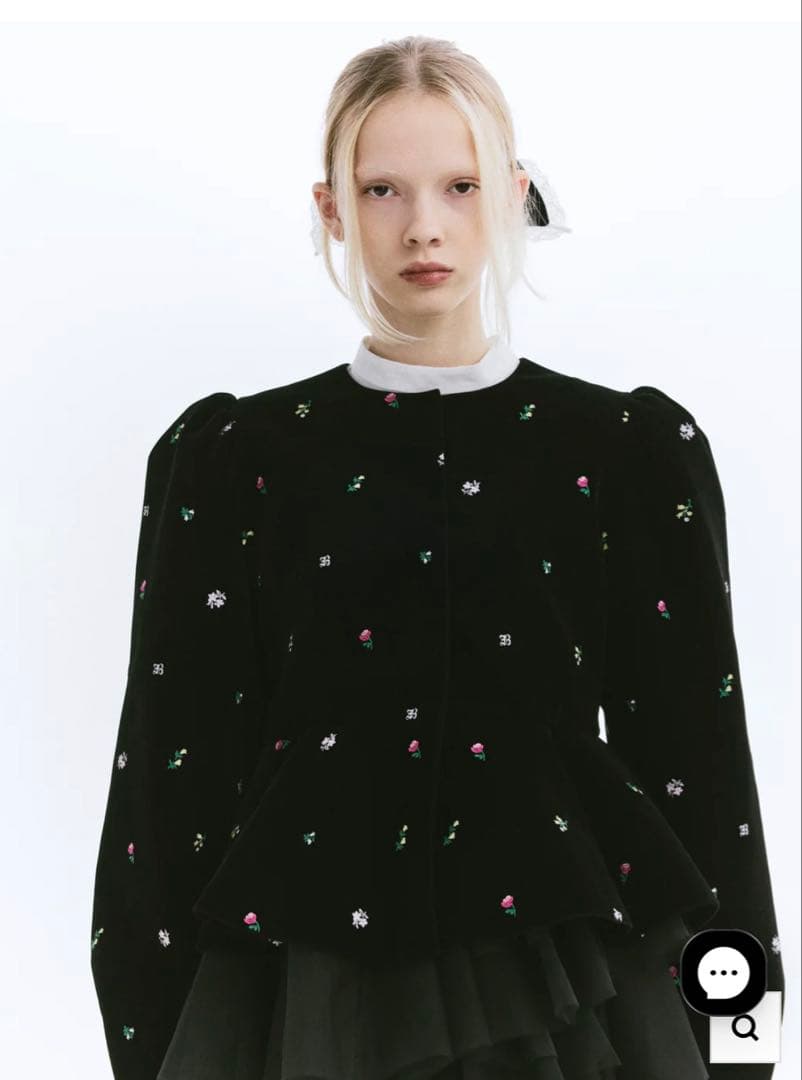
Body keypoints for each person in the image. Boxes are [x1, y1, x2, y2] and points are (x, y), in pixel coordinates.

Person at [90, 34, 784, 1080]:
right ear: (331, 209)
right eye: (382, 190)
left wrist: (744, 1049)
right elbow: (166, 791)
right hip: (301, 1002)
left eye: (460, 186)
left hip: (584, 1001)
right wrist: (150, 1051)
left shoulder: (628, 453)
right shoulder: (236, 460)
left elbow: (706, 781)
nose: (423, 225)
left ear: (512, 196)